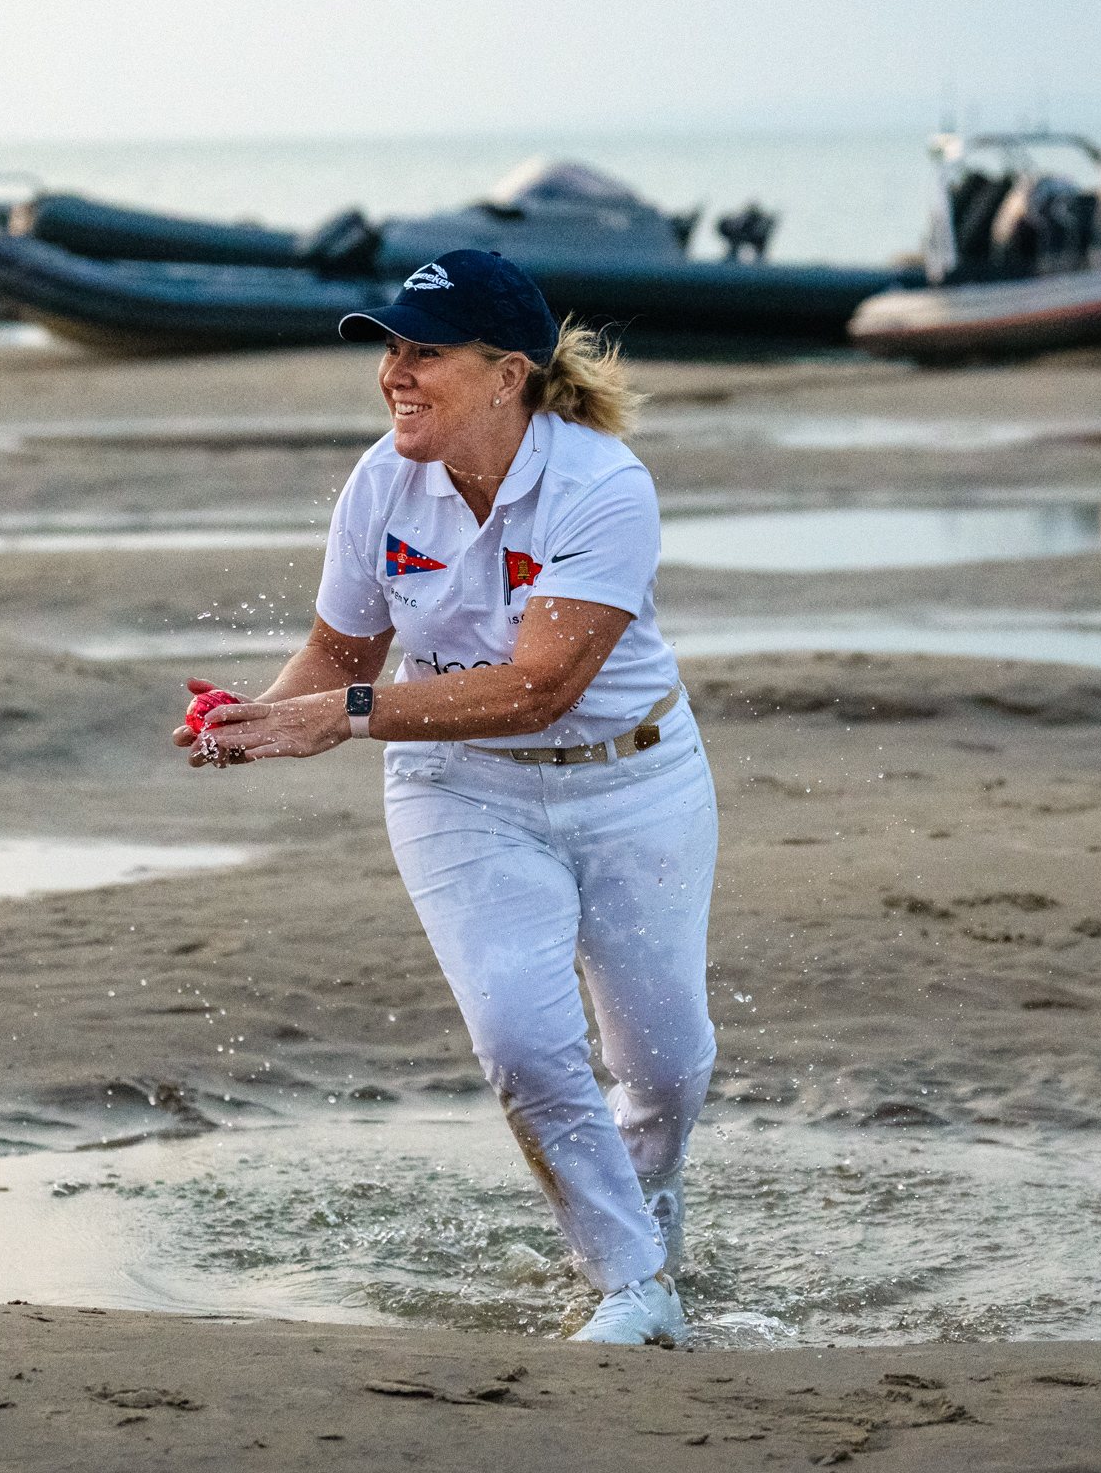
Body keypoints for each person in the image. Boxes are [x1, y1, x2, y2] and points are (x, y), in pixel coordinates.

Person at [178, 249, 713, 1348]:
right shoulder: (381, 482)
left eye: (425, 351)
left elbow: (539, 686)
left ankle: (645, 1218)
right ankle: (630, 1284)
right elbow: (341, 649)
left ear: (508, 372)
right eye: (390, 348)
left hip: (637, 778)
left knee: (664, 1064)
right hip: (454, 785)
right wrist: (261, 716)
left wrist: (345, 712)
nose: (394, 373)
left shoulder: (603, 484)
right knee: (521, 1036)